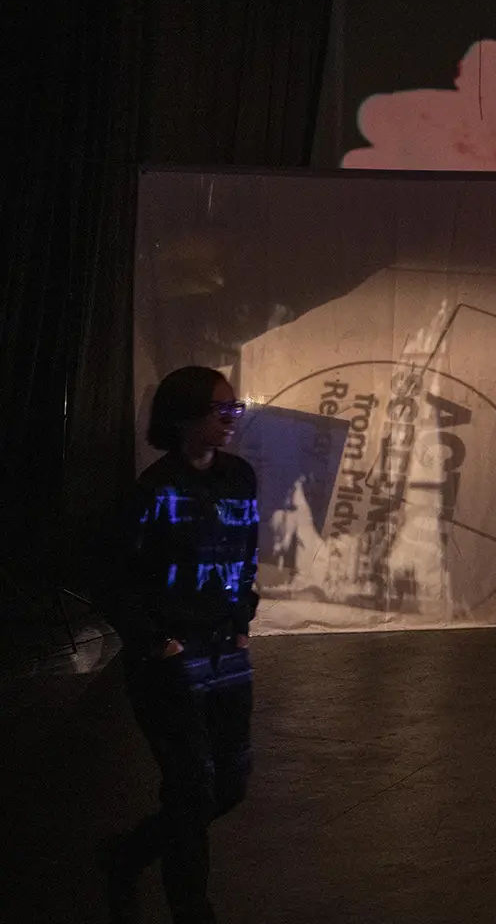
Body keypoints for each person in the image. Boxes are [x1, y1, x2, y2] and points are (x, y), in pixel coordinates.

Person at [99, 366, 260, 924]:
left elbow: (247, 555)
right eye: (221, 410)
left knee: (231, 784)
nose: (231, 419)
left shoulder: (239, 478)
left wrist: (242, 620)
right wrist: (157, 644)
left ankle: (127, 853)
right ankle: (191, 909)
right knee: (192, 788)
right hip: (171, 660)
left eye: (235, 408)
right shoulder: (152, 491)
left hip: (226, 653)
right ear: (185, 418)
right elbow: (115, 580)